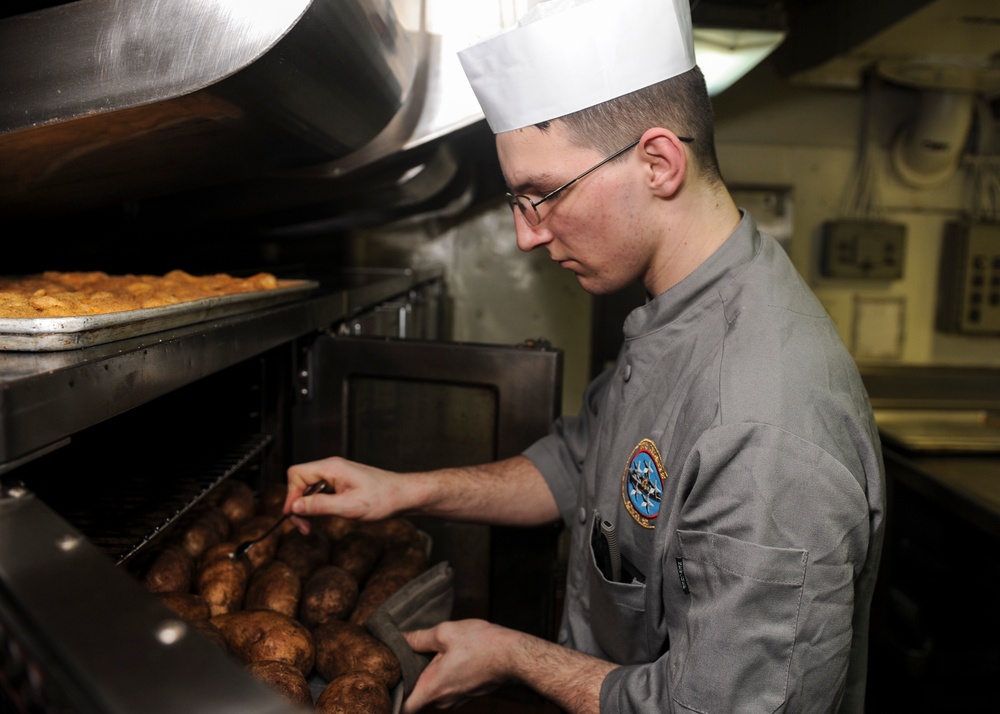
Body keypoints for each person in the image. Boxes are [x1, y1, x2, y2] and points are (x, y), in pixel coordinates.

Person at [284, 1, 886, 712]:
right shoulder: (683, 310)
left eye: (541, 195)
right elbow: (581, 464)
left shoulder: (764, 426)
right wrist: (403, 489)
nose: (524, 237)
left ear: (658, 163)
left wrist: (510, 654)